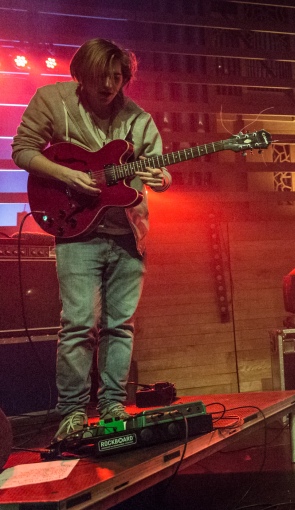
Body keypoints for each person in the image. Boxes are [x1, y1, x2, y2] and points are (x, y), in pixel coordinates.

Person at [11, 38, 171, 442]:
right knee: (79, 324)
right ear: (82, 74)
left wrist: (164, 179)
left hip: (126, 234)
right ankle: (72, 413)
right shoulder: (52, 99)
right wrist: (67, 175)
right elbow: (22, 150)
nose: (110, 85)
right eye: (102, 77)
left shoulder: (138, 118)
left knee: (121, 326)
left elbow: (159, 170)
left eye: (118, 77)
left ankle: (113, 402)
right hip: (74, 229)